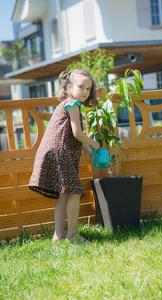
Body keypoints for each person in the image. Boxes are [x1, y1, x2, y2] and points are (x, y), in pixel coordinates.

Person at [29, 69, 100, 244]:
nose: (85, 91)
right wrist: (94, 144)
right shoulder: (73, 104)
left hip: (53, 152)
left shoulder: (67, 104)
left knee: (64, 194)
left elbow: (72, 134)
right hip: (60, 153)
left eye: (88, 88)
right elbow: (77, 133)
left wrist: (88, 152)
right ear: (69, 87)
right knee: (74, 192)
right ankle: (73, 235)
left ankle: (58, 236)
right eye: (81, 86)